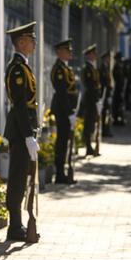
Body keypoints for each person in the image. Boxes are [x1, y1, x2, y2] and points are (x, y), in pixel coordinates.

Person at [3, 21, 39, 241]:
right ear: (22, 42)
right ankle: (14, 226)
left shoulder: (23, 66)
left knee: (22, 178)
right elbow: (19, 106)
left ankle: (18, 224)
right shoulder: (17, 69)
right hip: (19, 132)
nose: (34, 44)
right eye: (31, 40)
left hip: (24, 131)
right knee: (17, 179)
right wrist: (27, 136)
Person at [50, 38, 78, 184]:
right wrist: (69, 113)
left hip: (67, 109)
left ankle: (63, 172)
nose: (70, 52)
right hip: (62, 110)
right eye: (67, 50)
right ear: (60, 52)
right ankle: (60, 174)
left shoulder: (66, 68)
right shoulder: (59, 69)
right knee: (61, 141)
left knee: (65, 141)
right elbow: (62, 93)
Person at [80, 44, 102, 156]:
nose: (95, 56)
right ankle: (88, 146)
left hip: (94, 99)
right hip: (89, 100)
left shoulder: (93, 68)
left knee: (92, 123)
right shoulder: (87, 69)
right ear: (89, 55)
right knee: (88, 123)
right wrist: (96, 99)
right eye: (93, 54)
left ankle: (90, 146)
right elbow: (90, 86)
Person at [99, 51, 113, 137]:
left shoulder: (106, 68)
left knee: (107, 112)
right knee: (104, 112)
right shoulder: (102, 69)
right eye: (108, 58)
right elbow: (103, 82)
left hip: (107, 93)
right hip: (104, 94)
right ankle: (104, 130)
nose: (109, 59)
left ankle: (107, 129)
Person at [112, 52, 126, 125]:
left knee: (120, 104)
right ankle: (116, 119)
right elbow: (116, 77)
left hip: (120, 87)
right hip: (118, 88)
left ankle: (120, 118)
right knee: (117, 104)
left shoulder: (120, 66)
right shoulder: (116, 67)